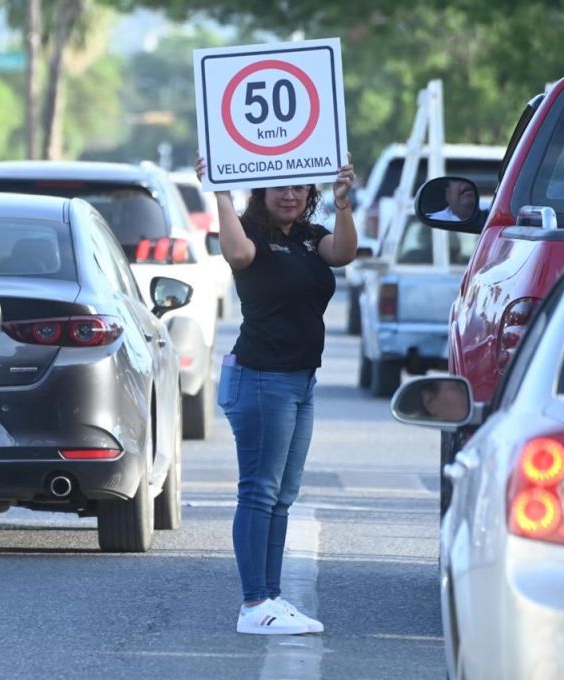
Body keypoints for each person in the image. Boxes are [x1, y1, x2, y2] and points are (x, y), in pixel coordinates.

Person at [196, 153, 357, 636]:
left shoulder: (309, 237)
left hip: (301, 380)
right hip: (263, 378)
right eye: (280, 187)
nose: (290, 195)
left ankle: (270, 597)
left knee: (282, 496)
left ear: (310, 193)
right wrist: (220, 191)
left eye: (300, 187)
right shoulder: (249, 234)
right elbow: (236, 256)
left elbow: (344, 253)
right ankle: (253, 603)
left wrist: (343, 202)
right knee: (259, 491)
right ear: (261, 191)